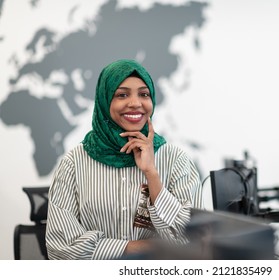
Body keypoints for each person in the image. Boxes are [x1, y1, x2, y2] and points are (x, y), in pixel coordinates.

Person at [45, 59, 204, 260]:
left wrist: (152, 175)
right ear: (105, 100)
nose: (136, 103)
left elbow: (196, 243)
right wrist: (130, 248)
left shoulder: (176, 160)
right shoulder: (74, 162)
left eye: (144, 94)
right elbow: (60, 248)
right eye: (122, 95)